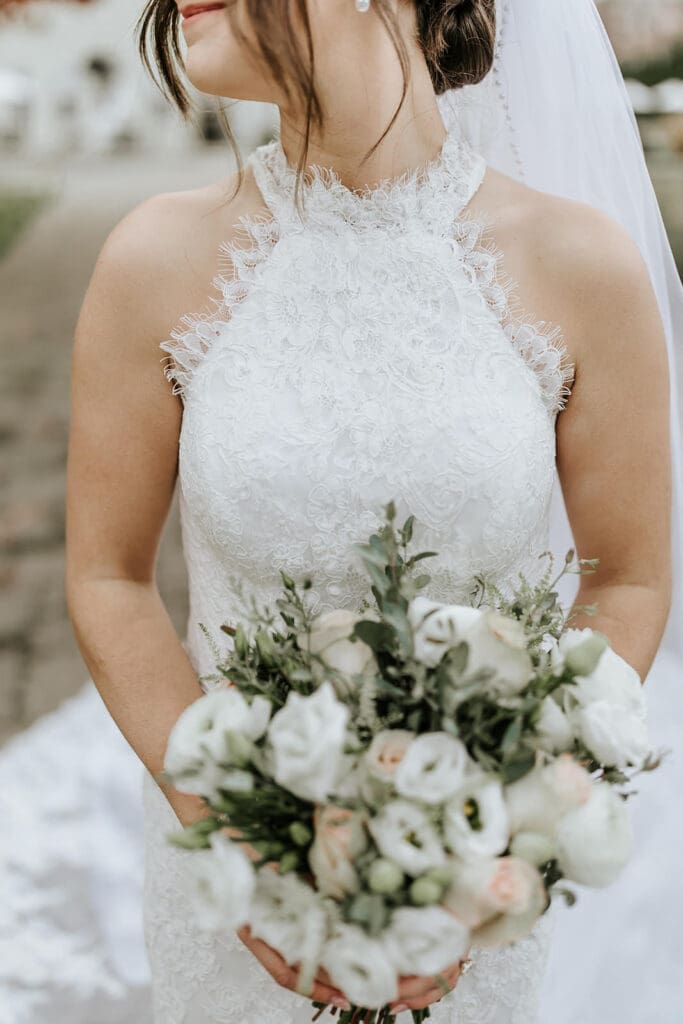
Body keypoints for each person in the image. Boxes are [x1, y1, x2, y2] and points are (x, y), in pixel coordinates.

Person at [1, 1, 680, 1022]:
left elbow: (625, 576)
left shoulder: (577, 263)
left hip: (463, 895)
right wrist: (240, 837)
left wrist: (498, 826)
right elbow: (107, 577)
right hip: (229, 885)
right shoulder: (156, 260)